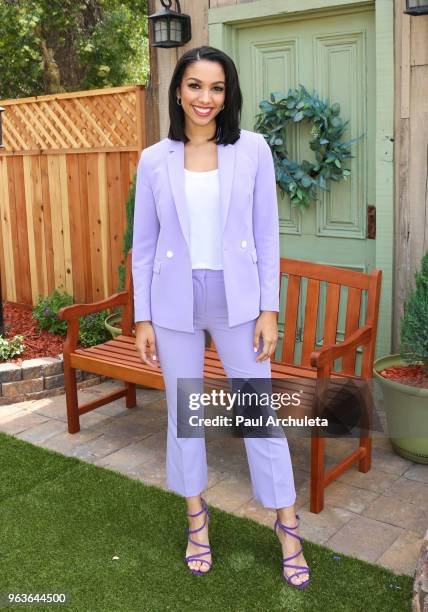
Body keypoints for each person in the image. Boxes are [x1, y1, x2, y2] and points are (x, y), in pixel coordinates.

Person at [132, 45, 310, 589]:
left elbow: (266, 235)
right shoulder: (153, 158)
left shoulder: (253, 150)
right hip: (173, 303)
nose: (204, 98)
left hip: (238, 302)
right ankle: (197, 522)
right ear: (177, 91)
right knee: (185, 417)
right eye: (193, 86)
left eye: (215, 87)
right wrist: (143, 317)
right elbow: (143, 246)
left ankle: (288, 527)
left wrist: (269, 309)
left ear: (227, 93)